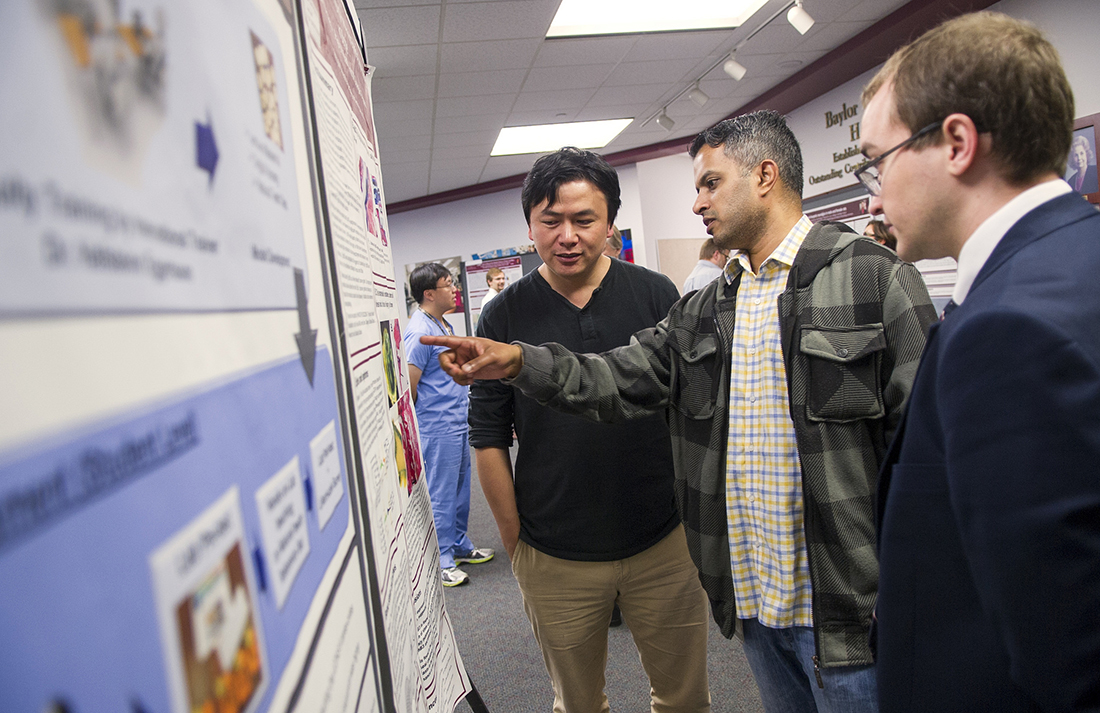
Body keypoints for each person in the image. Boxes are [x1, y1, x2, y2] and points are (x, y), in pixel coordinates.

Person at [424, 112, 936, 713]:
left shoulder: (873, 280)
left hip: (851, 614)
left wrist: (917, 587)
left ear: (765, 175)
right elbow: (609, 378)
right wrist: (516, 361)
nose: (696, 203)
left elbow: (931, 458)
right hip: (754, 604)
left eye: (710, 184)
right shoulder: (707, 309)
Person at [857, 11, 1100, 711]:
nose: (874, 194)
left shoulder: (1009, 330)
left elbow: (1066, 649)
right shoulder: (1069, 261)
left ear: (957, 142)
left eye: (878, 159)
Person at [471, 147, 711, 713]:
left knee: (684, 700)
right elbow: (488, 436)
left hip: (662, 540)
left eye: (584, 220)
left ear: (610, 226)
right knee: (578, 705)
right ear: (530, 226)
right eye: (550, 221)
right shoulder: (502, 315)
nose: (567, 236)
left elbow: (686, 404)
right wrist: (516, 544)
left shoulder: (655, 294)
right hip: (554, 550)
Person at [404, 263, 493, 587]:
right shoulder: (418, 333)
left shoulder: (441, 323)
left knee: (459, 490)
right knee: (441, 494)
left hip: (456, 421)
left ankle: (459, 545)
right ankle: (442, 559)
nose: (454, 289)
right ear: (429, 293)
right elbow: (409, 388)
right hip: (437, 426)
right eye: (447, 285)